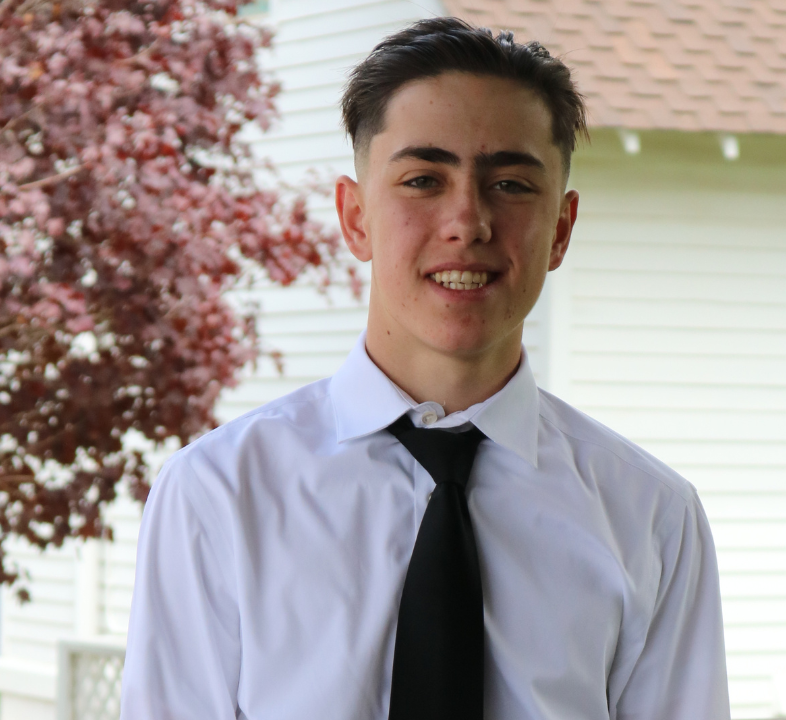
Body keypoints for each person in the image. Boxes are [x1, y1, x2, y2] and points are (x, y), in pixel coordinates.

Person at [120, 17, 729, 720]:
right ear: (355, 218)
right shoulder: (219, 497)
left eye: (510, 183)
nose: (467, 220)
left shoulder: (651, 517)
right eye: (422, 179)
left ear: (560, 230)